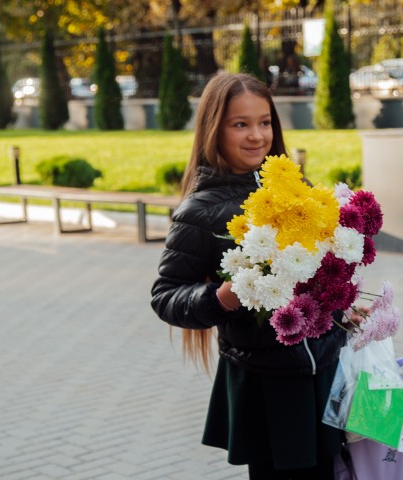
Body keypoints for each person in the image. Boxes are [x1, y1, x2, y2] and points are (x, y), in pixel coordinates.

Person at [150, 72, 346, 480]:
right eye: (240, 124)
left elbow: (313, 271)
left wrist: (340, 303)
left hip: (326, 372)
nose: (257, 135)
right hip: (269, 388)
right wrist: (221, 298)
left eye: (264, 122)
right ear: (213, 130)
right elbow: (165, 295)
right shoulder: (199, 211)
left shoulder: (295, 188)